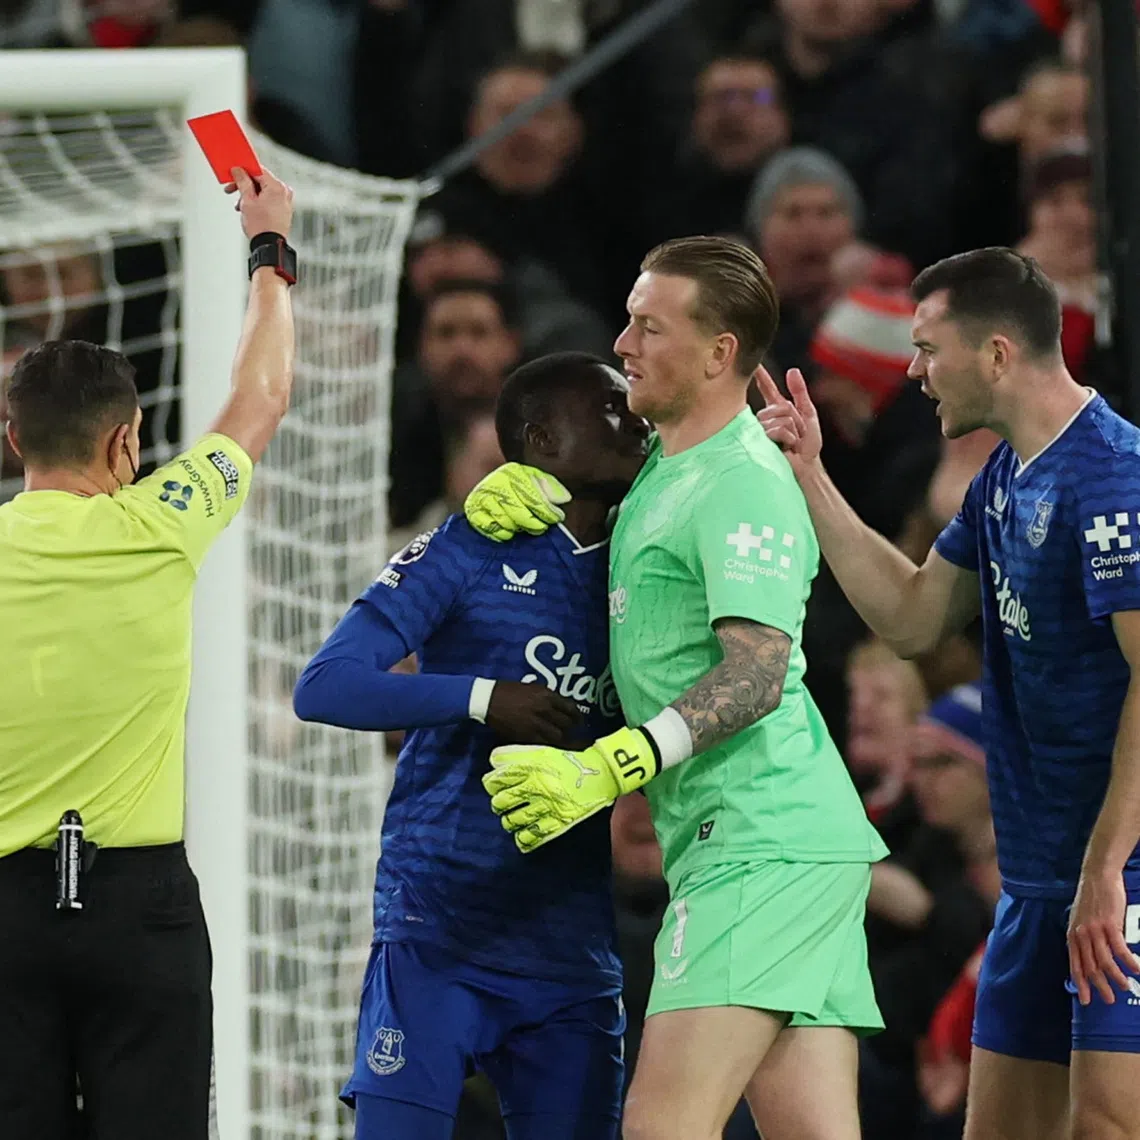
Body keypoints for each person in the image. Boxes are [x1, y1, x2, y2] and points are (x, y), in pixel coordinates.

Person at [465, 235, 887, 1140]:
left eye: (648, 327)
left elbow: (757, 673)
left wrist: (610, 766)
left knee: (662, 1129)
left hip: (758, 843)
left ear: (718, 353)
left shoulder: (741, 481)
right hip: (768, 842)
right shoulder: (661, 466)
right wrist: (500, 508)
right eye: (627, 320)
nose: (622, 345)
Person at [756, 246, 1140, 1140]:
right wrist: (812, 477)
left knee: (1110, 1126)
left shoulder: (1115, 479)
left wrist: (1105, 871)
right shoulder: (1005, 479)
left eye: (928, 348)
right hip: (1043, 881)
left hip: (1119, 872)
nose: (913, 371)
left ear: (998, 354)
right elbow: (915, 618)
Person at [0, 166, 295, 1140]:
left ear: (12, 439)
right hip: (139, 908)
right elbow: (261, 394)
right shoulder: (160, 523)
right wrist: (269, 251)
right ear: (128, 441)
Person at [293, 352, 651, 1140]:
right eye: (613, 408)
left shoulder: (648, 565)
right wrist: (483, 698)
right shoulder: (468, 546)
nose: (638, 420)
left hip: (568, 950)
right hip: (437, 928)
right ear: (544, 438)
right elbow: (325, 685)